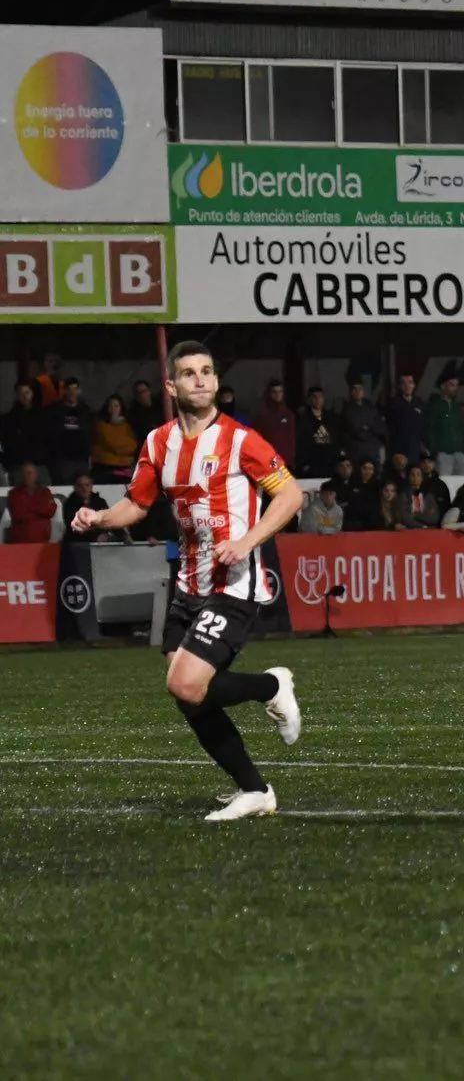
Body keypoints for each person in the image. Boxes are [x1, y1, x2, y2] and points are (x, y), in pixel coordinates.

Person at [69, 339, 305, 822]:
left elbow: (291, 496)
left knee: (186, 684)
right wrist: (99, 519)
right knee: (189, 696)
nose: (201, 379)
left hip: (233, 582)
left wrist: (247, 541)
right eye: (190, 372)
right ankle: (254, 790)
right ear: (171, 385)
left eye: (208, 371)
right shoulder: (158, 442)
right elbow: (137, 503)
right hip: (188, 582)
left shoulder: (241, 440)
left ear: (217, 381)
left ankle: (270, 687)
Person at [45, 379, 92, 485]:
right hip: (62, 461)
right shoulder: (54, 410)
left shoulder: (85, 410)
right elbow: (50, 435)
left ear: (79, 391)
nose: (72, 392)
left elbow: (90, 433)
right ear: (64, 391)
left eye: (75, 389)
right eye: (69, 389)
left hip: (82, 461)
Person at [340, 379, 388, 469]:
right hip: (357, 450)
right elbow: (355, 430)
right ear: (351, 392)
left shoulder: (370, 406)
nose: (358, 392)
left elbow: (380, 426)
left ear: (364, 391)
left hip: (373, 449)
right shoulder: (347, 410)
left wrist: (369, 428)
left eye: (360, 389)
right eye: (355, 390)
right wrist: (369, 429)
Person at [89, 395, 140, 480]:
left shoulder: (128, 426)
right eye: (110, 406)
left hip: (124, 468)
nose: (113, 409)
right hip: (105, 468)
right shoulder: (101, 425)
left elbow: (133, 446)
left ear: (121, 408)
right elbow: (113, 445)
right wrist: (125, 456)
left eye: (116, 406)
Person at [250, 381, 295, 474]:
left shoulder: (288, 414)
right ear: (269, 394)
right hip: (269, 461)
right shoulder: (262, 415)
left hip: (286, 462)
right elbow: (256, 438)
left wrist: (291, 461)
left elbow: (292, 439)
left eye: (280, 391)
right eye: (274, 392)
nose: (278, 395)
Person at [2, 382, 46, 476]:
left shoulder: (42, 415)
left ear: (32, 393)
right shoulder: (9, 418)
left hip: (39, 464)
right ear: (17, 396)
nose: (25, 396)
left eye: (27, 392)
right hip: (18, 465)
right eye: (21, 394)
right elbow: (7, 442)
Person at [425, 376, 464, 477]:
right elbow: (430, 430)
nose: (456, 388)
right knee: (445, 484)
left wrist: (463, 447)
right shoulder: (435, 406)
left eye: (457, 385)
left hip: (459, 453)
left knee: (461, 486)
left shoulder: (457, 407)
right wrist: (434, 451)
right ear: (443, 386)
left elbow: (462, 428)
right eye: (452, 385)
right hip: (443, 454)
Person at [6, 464, 57, 543]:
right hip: (20, 540)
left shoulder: (45, 492)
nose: (26, 476)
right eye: (24, 474)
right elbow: (17, 513)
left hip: (42, 539)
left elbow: (50, 511)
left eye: (29, 473)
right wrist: (39, 508)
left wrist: (28, 506)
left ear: (36, 474)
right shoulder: (13, 494)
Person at [385, 373, 428, 467]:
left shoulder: (419, 403)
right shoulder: (393, 404)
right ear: (399, 386)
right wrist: (394, 450)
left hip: (416, 447)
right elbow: (388, 428)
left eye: (410, 382)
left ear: (414, 385)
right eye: (403, 383)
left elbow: (425, 425)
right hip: (399, 449)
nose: (407, 386)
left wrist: (423, 444)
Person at [298, 387, 337, 480]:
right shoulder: (303, 419)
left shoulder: (330, 417)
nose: (318, 400)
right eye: (315, 397)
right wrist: (304, 464)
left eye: (320, 397)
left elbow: (336, 439)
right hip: (312, 465)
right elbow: (300, 442)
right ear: (309, 399)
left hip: (329, 463)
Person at [399, 465, 444, 530]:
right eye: (412, 474)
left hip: (429, 532)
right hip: (411, 532)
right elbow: (405, 518)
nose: (415, 477)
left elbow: (434, 518)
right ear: (408, 477)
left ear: (422, 478)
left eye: (418, 474)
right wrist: (422, 526)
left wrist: (414, 514)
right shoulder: (403, 496)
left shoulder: (429, 496)